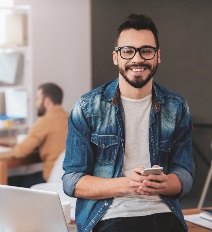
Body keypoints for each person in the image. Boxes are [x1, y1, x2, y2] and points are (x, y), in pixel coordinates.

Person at [62, 14, 194, 232]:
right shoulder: (87, 107)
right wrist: (126, 185)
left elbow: (185, 173)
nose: (137, 59)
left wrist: (167, 182)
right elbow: (72, 180)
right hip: (109, 216)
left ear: (157, 56)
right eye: (128, 51)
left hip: (164, 213)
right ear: (116, 57)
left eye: (146, 50)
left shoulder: (177, 107)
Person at [9, 83, 68, 187]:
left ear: (47, 101)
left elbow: (20, 152)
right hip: (70, 179)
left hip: (51, 179)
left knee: (8, 181)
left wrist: (16, 146)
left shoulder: (45, 121)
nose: (36, 103)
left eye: (37, 99)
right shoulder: (72, 117)